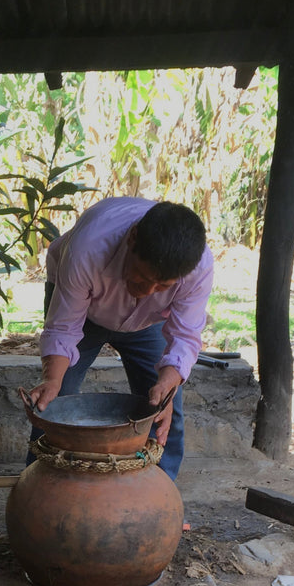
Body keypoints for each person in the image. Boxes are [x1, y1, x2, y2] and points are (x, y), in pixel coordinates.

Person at [27, 197, 213, 480]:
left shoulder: (197, 267)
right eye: (141, 276)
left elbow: (185, 337)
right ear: (132, 239)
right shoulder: (87, 249)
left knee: (164, 409)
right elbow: (63, 328)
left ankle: (161, 496)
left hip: (147, 321)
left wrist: (168, 383)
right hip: (82, 313)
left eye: (162, 286)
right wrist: (52, 380)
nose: (147, 291)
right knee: (54, 402)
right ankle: (37, 487)